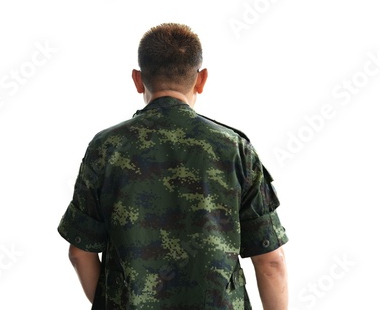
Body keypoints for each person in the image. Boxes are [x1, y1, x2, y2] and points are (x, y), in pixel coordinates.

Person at [58, 22, 289, 309]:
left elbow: (80, 253)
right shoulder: (234, 149)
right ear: (201, 79)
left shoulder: (106, 147)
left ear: (138, 80)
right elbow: (271, 261)